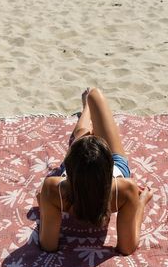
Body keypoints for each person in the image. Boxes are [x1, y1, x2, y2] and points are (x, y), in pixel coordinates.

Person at [37, 87, 153, 255]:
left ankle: (86, 112)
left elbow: (48, 245)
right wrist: (140, 203)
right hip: (110, 181)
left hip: (77, 178)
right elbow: (126, 248)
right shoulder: (126, 188)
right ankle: (88, 107)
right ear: (109, 165)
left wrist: (43, 205)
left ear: (68, 167)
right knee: (94, 95)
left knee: (82, 135)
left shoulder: (53, 189)